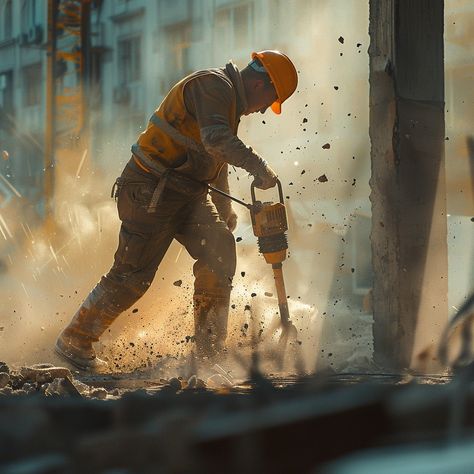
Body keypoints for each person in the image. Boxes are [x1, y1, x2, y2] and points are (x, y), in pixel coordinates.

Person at [55, 50, 298, 370]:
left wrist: (224, 211)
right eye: (271, 100)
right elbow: (216, 141)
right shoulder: (215, 86)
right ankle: (75, 340)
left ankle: (208, 356)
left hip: (185, 194)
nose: (265, 109)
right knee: (132, 277)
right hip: (150, 188)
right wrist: (259, 166)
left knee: (219, 249)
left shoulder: (228, 104)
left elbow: (215, 161)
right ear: (261, 84)